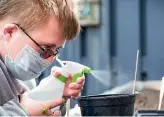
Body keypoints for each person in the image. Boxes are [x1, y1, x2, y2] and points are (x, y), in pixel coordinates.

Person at [0, 0, 85, 116]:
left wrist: (49, 94)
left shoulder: (17, 67)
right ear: (10, 32)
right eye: (45, 49)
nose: (50, 60)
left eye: (56, 51)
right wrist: (23, 112)